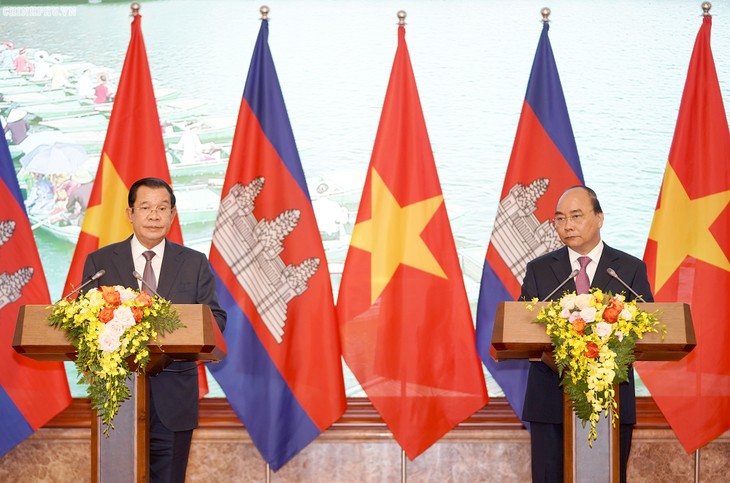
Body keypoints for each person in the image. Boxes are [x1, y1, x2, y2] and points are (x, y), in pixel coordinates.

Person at [81, 177, 226, 483]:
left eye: (162, 208)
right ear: (130, 213)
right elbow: (84, 322)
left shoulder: (194, 263)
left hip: (174, 399)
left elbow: (215, 320)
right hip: (118, 397)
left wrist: (168, 325)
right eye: (145, 207)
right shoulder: (102, 262)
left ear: (173, 215)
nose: (154, 215)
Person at [520, 186, 653, 483]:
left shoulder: (629, 270)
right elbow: (523, 328)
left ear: (599, 218)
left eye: (576, 216)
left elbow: (647, 331)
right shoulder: (539, 270)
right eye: (560, 218)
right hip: (550, 402)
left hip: (612, 402)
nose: (567, 225)